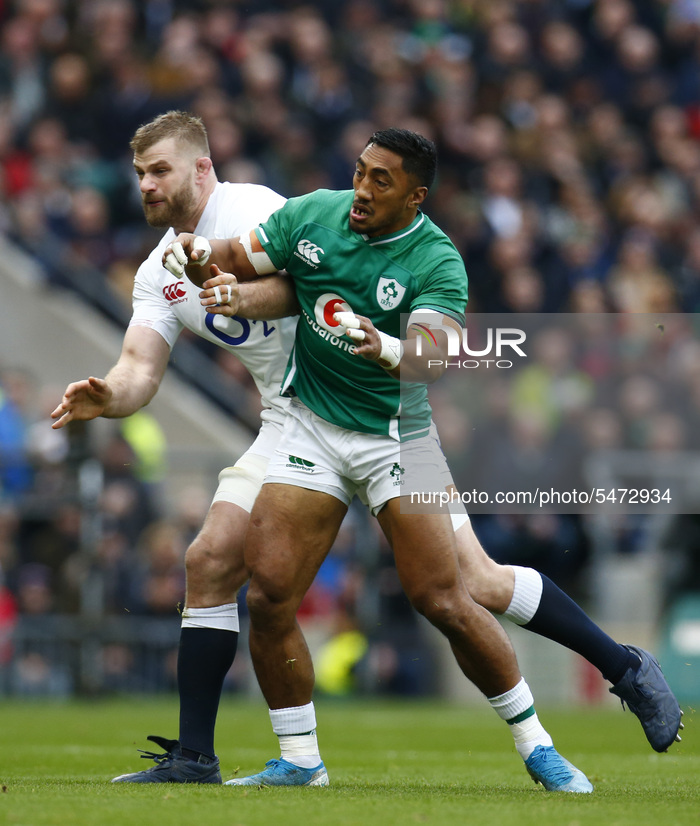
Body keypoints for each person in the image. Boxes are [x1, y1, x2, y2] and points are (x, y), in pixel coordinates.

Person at [52, 114, 680, 789]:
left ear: (201, 169)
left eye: (160, 171)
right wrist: (108, 396)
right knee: (218, 566)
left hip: (389, 423)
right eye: (139, 173)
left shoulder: (271, 207)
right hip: (295, 420)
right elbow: (140, 369)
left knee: (469, 587)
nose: (145, 185)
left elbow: (299, 286)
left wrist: (256, 296)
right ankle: (216, 758)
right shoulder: (163, 270)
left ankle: (617, 672)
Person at [161, 129, 589, 793]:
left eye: (380, 181)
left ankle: (537, 745)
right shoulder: (312, 215)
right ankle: (300, 759)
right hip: (312, 428)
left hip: (402, 440)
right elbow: (233, 259)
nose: (361, 190)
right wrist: (196, 255)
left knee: (444, 598)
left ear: (415, 196)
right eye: (360, 172)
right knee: (271, 594)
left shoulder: (437, 259)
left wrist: (384, 347)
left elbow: (435, 358)